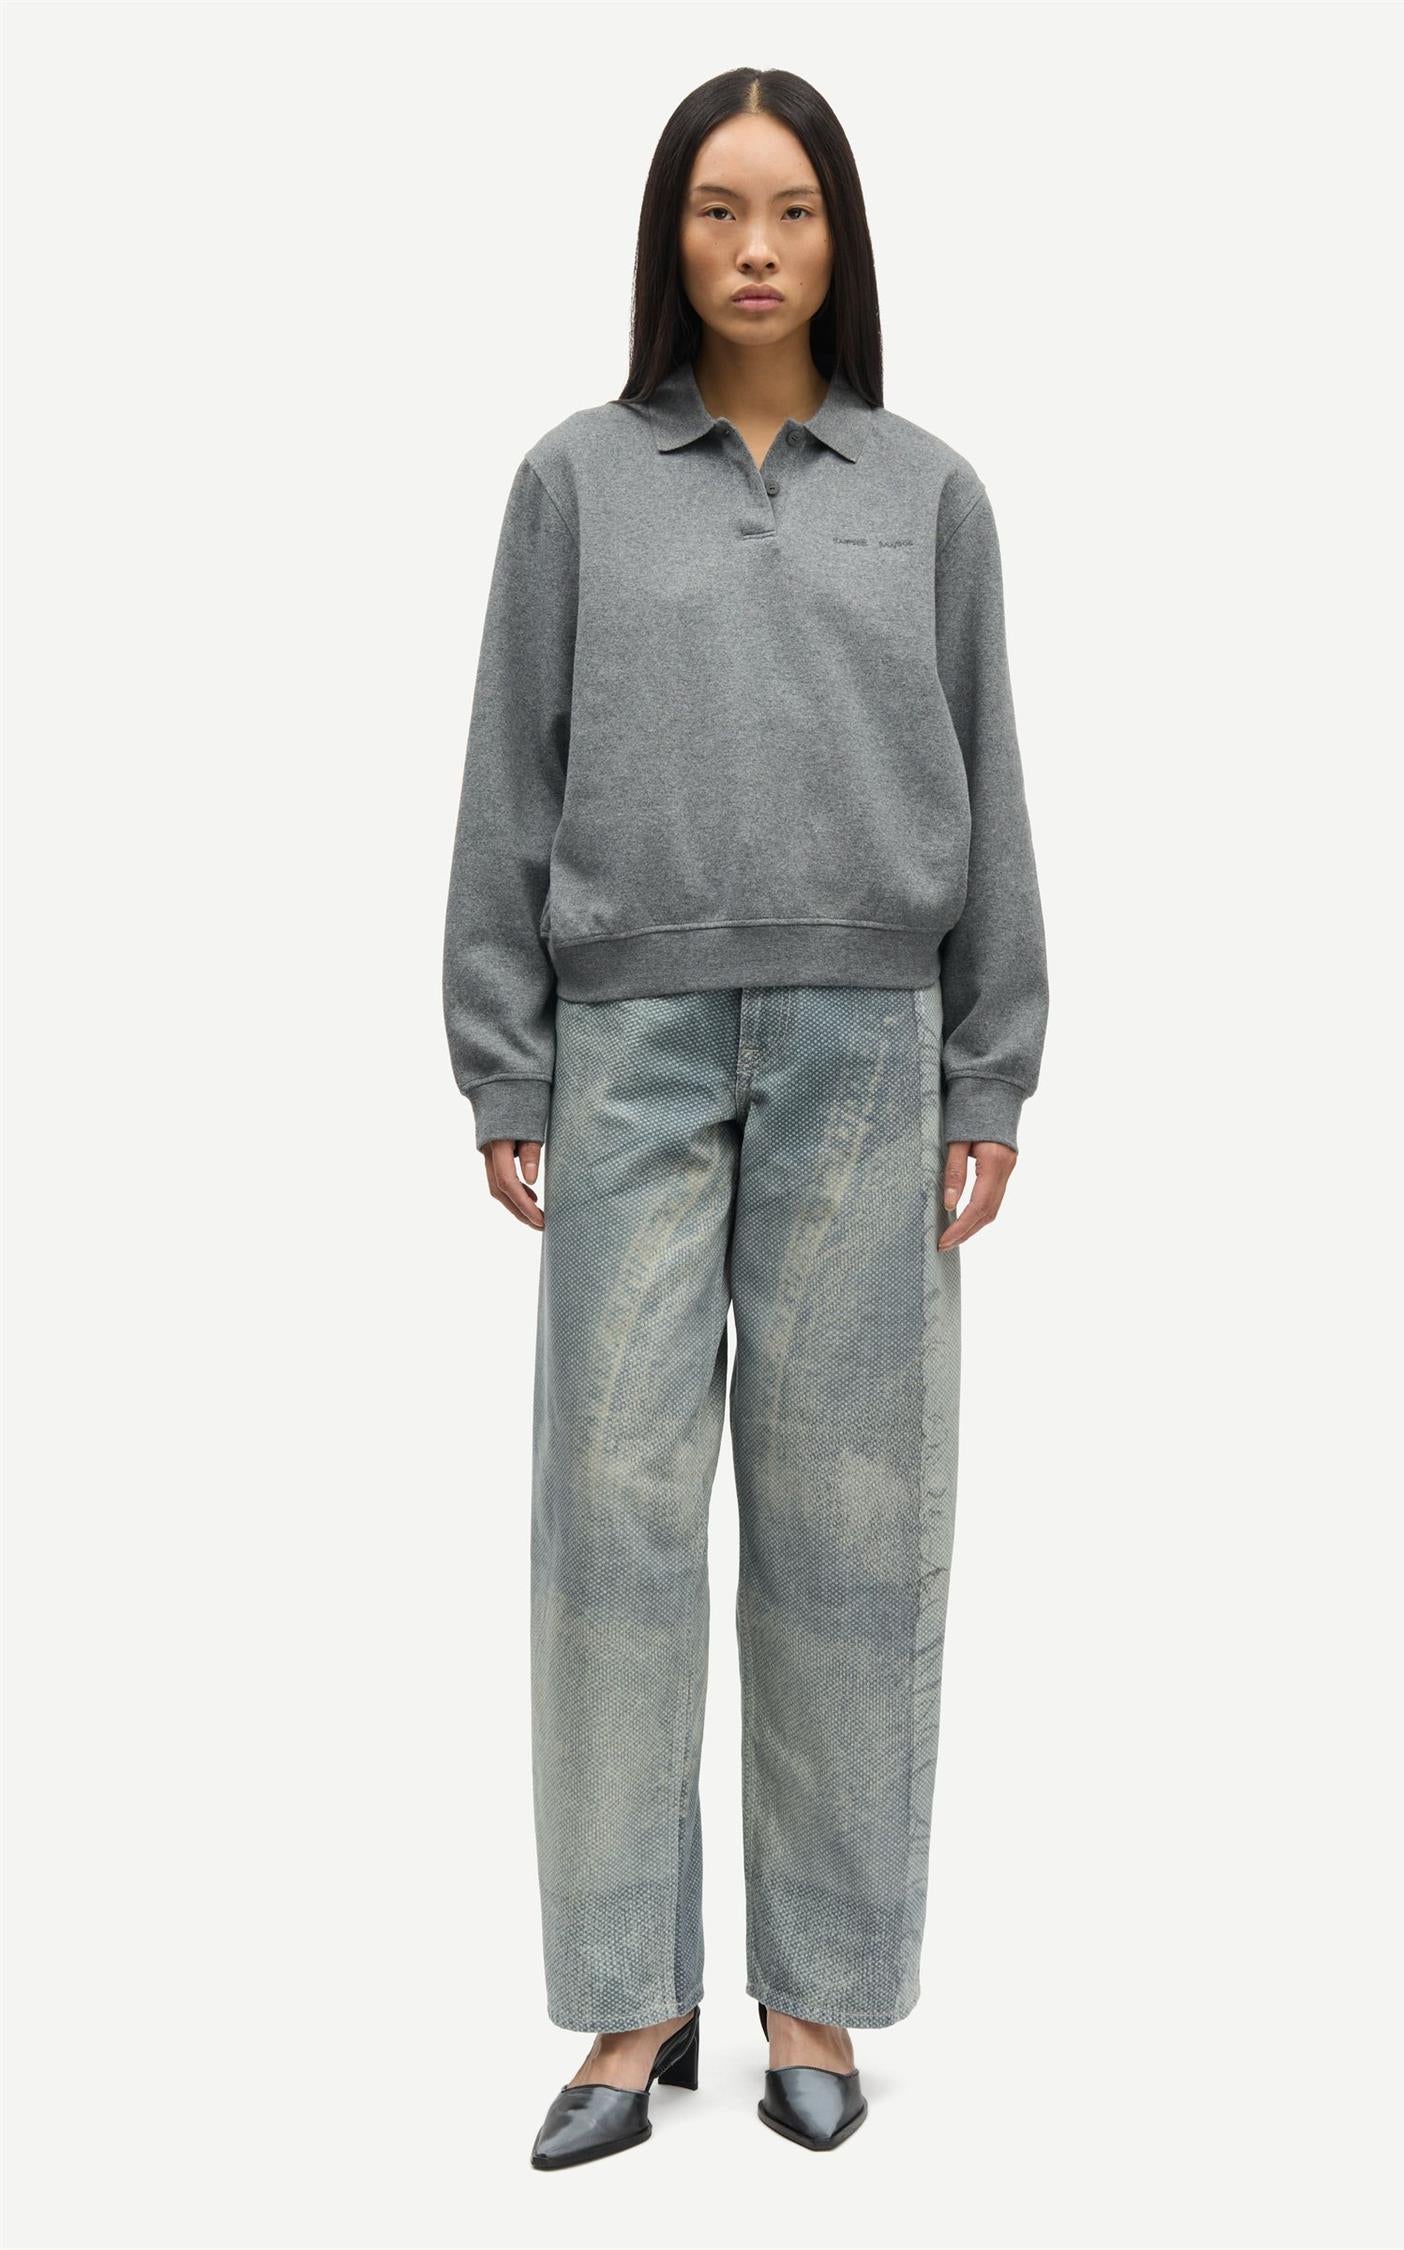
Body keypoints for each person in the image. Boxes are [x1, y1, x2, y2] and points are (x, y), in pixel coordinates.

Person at [442, 64, 1049, 2169]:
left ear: (841, 237)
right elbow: (509, 775)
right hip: (626, 1045)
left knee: (850, 1528)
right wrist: (501, 1050)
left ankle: (817, 1994)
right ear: (670, 235)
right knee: (609, 1519)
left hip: (874, 1048)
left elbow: (992, 778)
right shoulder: (576, 482)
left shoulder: (929, 493)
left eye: (791, 209)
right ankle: (631, 2003)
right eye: (718, 208)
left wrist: (994, 1061)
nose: (757, 246)